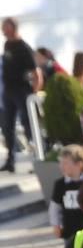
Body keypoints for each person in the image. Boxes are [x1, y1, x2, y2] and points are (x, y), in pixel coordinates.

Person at [2, 17, 37, 172]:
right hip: (8, 91)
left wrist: (34, 93)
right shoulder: (7, 44)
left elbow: (36, 73)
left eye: (6, 27)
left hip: (22, 91)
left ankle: (37, 159)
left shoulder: (24, 48)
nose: (3, 30)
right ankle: (10, 162)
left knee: (28, 126)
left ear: (13, 28)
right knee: (7, 126)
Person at [48, 144, 83, 239]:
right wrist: (56, 225)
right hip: (70, 230)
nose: (61, 166)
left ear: (79, 164)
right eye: (60, 163)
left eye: (65, 163)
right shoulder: (60, 185)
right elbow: (55, 207)